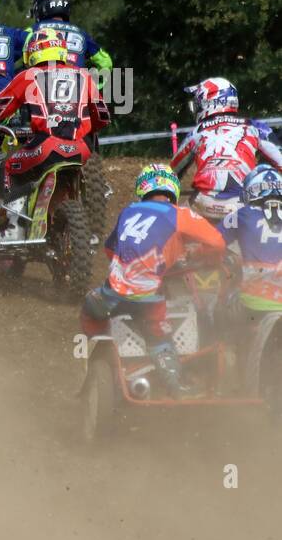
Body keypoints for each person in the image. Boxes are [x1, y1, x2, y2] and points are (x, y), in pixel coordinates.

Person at [80, 164, 225, 395]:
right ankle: (178, 387)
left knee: (91, 307)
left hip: (112, 294)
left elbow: (110, 250)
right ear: (173, 190)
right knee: (158, 335)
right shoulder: (181, 214)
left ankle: (103, 349)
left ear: (143, 188)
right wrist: (202, 256)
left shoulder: (128, 211)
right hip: (149, 297)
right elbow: (218, 242)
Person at [0, 27, 110, 239]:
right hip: (81, 149)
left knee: (7, 166)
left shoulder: (29, 75)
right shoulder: (85, 76)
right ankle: (90, 220)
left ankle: (13, 227)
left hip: (45, 148)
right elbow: (102, 116)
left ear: (34, 52)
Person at [170, 77, 282, 221]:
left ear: (210, 102)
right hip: (244, 205)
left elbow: (171, 172)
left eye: (198, 101)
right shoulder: (255, 127)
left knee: (174, 226)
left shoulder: (197, 132)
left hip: (204, 205)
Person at [218, 165, 282, 327]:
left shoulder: (243, 214)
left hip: (256, 304)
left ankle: (228, 348)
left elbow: (211, 242)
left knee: (221, 304)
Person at [26, 0, 113, 76]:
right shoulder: (81, 33)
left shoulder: (32, 31)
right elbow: (106, 63)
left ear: (39, 8)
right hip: (76, 86)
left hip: (40, 86)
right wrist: (94, 85)